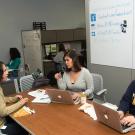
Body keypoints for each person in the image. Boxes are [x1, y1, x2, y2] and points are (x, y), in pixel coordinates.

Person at [0, 61, 28, 135]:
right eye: (5, 70)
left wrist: (14, 98)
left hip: (3, 121)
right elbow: (3, 112)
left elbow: (2, 99)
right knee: (25, 128)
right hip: (1, 126)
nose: (7, 73)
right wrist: (20, 103)